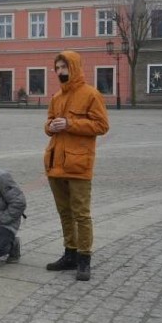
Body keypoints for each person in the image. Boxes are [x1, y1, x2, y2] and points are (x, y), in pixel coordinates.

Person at [43, 50, 110, 281]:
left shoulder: (91, 94)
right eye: (57, 68)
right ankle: (69, 253)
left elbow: (102, 125)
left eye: (64, 67)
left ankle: (84, 259)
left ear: (75, 67)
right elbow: (48, 124)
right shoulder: (56, 97)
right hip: (55, 163)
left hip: (79, 164)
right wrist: (51, 126)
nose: (60, 72)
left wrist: (70, 123)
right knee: (64, 213)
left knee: (81, 214)